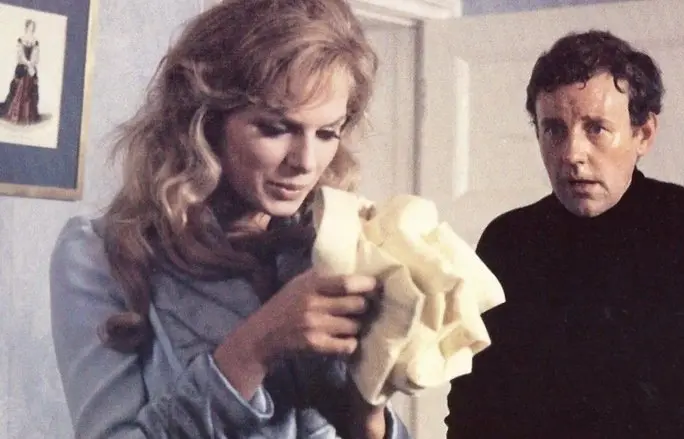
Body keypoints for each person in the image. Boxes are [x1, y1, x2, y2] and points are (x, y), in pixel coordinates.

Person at [49, 1, 412, 438]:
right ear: (205, 121)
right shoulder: (100, 253)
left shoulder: (328, 247)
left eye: (327, 133)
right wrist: (257, 344)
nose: (305, 161)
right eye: (276, 128)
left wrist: (368, 408)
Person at [446, 30, 684, 438]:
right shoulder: (507, 243)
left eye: (596, 128)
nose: (572, 154)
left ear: (644, 134)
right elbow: (472, 407)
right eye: (554, 129)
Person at [1, 18, 41, 124]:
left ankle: (29, 116)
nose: (32, 28)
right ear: (26, 27)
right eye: (30, 26)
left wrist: (31, 64)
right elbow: (20, 55)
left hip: (31, 69)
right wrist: (27, 63)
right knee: (18, 89)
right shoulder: (21, 39)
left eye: (33, 27)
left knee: (30, 90)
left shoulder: (35, 41)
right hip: (22, 67)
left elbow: (36, 57)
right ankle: (16, 115)